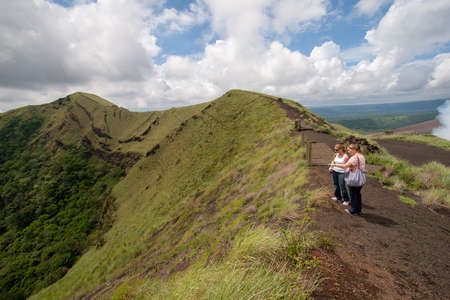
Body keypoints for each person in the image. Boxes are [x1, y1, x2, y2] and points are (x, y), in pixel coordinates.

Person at [330, 144, 366, 215]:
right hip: (360, 178)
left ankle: (352, 210)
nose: (348, 151)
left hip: (354, 178)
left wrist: (335, 165)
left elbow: (345, 166)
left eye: (349, 150)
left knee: (353, 194)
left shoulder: (354, 157)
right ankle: (358, 210)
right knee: (357, 195)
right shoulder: (361, 156)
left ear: (354, 150)